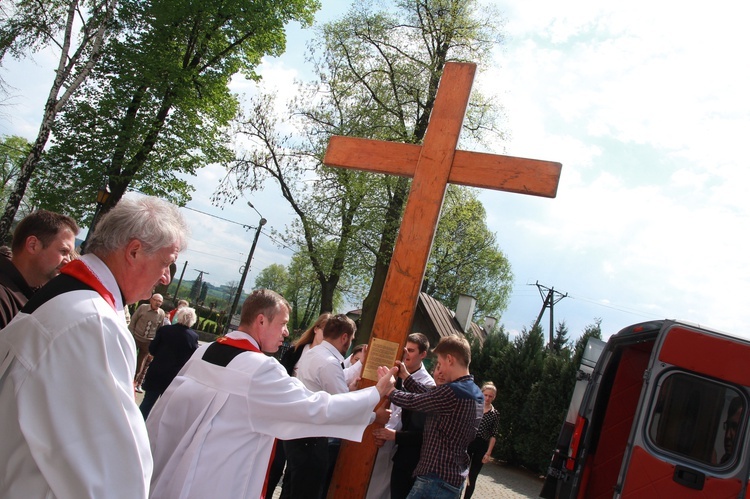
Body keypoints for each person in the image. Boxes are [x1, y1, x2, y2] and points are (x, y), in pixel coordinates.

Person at [0, 194, 188, 498]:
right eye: (166, 263)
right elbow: (109, 471)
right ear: (135, 251)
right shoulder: (93, 322)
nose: (166, 278)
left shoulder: (73, 299)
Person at [146, 289, 397, 499]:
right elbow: (316, 407)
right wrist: (375, 394)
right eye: (283, 324)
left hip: (176, 475)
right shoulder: (260, 369)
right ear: (261, 321)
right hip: (221, 482)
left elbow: (162, 416)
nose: (286, 332)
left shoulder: (206, 350)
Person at [386, 335, 484, 499]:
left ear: (450, 360)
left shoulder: (453, 391)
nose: (439, 368)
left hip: (436, 480)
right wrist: (406, 376)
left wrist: (389, 391)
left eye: (440, 362)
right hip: (450, 479)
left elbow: (417, 401)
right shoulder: (473, 392)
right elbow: (430, 395)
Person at [284, 314, 358, 499]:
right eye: (351, 339)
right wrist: (374, 414)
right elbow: (343, 405)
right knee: (306, 492)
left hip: (298, 434)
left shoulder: (312, 353)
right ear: (344, 338)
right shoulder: (329, 362)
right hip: (312, 439)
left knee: (291, 489)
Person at [270, 312, 332, 499]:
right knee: (275, 465)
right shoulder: (296, 351)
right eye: (325, 331)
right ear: (316, 330)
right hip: (286, 415)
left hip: (307, 424)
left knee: (295, 475)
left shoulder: (330, 360)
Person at [369, 333, 435, 499]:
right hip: (376, 431)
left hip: (394, 442)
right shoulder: (391, 371)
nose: (406, 355)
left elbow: (406, 417)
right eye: (405, 350)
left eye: (411, 351)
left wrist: (386, 431)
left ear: (423, 354)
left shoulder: (427, 384)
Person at [0, 209, 78, 328]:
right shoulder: (3, 297)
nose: (68, 261)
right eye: (63, 251)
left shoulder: (43, 295)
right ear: (33, 245)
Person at [139, 306, 200, 419]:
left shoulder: (165, 330)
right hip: (174, 376)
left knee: (147, 402)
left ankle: (135, 425)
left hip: (157, 370)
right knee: (165, 408)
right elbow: (193, 358)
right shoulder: (193, 337)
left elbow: (152, 349)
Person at [463, 382, 501, 499]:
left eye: (490, 396)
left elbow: (493, 435)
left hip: (481, 445)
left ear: (494, 397)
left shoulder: (495, 414)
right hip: (468, 442)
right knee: (459, 472)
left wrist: (488, 453)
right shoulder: (473, 406)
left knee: (472, 476)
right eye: (485, 395)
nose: (487, 398)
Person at [129, 292, 166, 392]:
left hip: (148, 342)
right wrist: (130, 334)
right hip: (136, 337)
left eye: (160, 301)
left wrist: (155, 344)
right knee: (129, 357)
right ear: (151, 300)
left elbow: (160, 329)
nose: (158, 303)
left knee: (141, 364)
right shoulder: (143, 307)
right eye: (156, 300)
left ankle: (133, 383)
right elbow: (133, 320)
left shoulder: (161, 313)